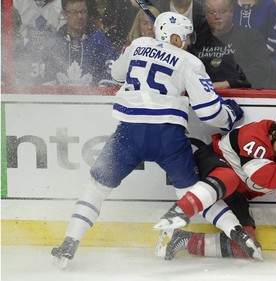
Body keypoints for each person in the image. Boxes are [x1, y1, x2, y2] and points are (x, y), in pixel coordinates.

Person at [51, 11, 244, 268]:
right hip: (167, 135)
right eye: (184, 38)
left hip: (130, 132)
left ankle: (69, 243)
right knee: (192, 193)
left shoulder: (139, 44)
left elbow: (117, 74)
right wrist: (231, 114)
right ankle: (237, 232)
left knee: (96, 187)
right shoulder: (190, 62)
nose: (187, 42)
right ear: (174, 37)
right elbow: (209, 112)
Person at [154, 110, 276, 260]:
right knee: (229, 177)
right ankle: (180, 211)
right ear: (275, 133)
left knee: (244, 248)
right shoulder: (255, 134)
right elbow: (261, 176)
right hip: (212, 164)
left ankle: (182, 239)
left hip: (236, 193)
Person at [189, 0, 271, 89]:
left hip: (240, 94)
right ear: (206, 15)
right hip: (203, 93)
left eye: (222, 11)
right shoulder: (197, 39)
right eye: (212, 12)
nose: (217, 16)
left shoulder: (250, 37)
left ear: (231, 12)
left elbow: (260, 70)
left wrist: (227, 84)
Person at [40, 0, 116, 86]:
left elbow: (109, 75)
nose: (80, 16)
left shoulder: (100, 40)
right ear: (64, 14)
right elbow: (45, 77)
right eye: (74, 12)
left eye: (83, 11)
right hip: (59, 97)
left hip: (93, 97)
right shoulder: (54, 42)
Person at [12, 0, 66, 85]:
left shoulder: (64, 4)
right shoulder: (16, 2)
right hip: (22, 63)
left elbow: (64, 40)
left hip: (53, 65)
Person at [232, 0, 276, 88]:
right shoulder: (229, 4)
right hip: (235, 55)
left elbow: (274, 37)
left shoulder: (269, 4)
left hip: (266, 55)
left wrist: (257, 55)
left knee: (263, 68)